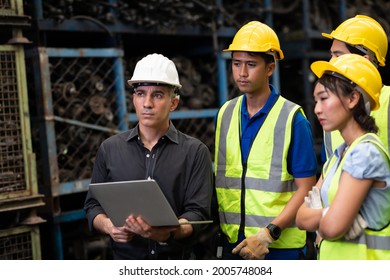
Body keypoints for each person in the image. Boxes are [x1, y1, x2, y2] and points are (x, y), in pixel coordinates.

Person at [84, 53, 213, 260]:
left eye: (158, 95)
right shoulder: (110, 149)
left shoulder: (195, 152)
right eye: (141, 93)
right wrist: (109, 226)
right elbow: (93, 206)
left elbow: (197, 213)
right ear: (133, 98)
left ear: (173, 103)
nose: (147, 103)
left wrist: (170, 232)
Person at [214, 21, 318, 260]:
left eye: (251, 65)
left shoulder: (293, 119)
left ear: (270, 68)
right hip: (235, 245)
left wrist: (269, 233)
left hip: (279, 248)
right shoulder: (225, 114)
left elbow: (306, 188)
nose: (241, 72)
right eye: (236, 63)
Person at [296, 53, 390, 260]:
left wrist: (322, 213)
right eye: (315, 100)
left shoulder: (365, 153)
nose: (317, 109)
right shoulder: (336, 158)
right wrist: (330, 213)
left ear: (353, 98)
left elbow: (331, 228)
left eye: (324, 98)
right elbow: (301, 219)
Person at [321, 15, 390, 162]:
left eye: (338, 55)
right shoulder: (331, 108)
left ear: (364, 61)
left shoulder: (388, 101)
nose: (331, 62)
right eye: (331, 55)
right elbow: (329, 170)